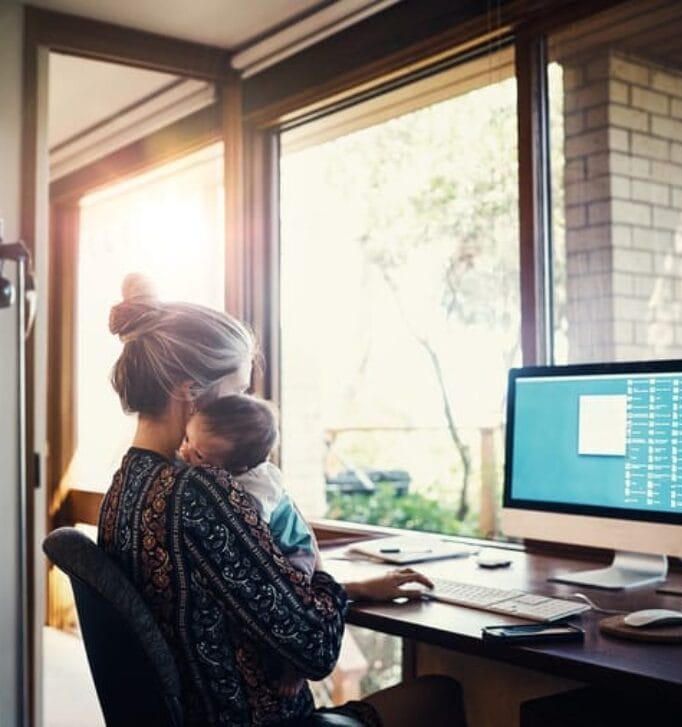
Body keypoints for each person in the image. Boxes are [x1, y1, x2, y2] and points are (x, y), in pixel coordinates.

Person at [99, 273, 468, 727]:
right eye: (237, 392)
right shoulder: (200, 491)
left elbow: (224, 598)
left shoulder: (125, 486)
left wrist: (354, 590)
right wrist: (328, 583)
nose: (244, 408)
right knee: (439, 695)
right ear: (191, 395)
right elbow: (315, 650)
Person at [179, 394, 316, 579]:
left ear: (237, 468)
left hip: (295, 553)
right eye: (187, 439)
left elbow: (248, 527)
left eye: (199, 455)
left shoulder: (257, 490)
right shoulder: (220, 468)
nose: (184, 452)